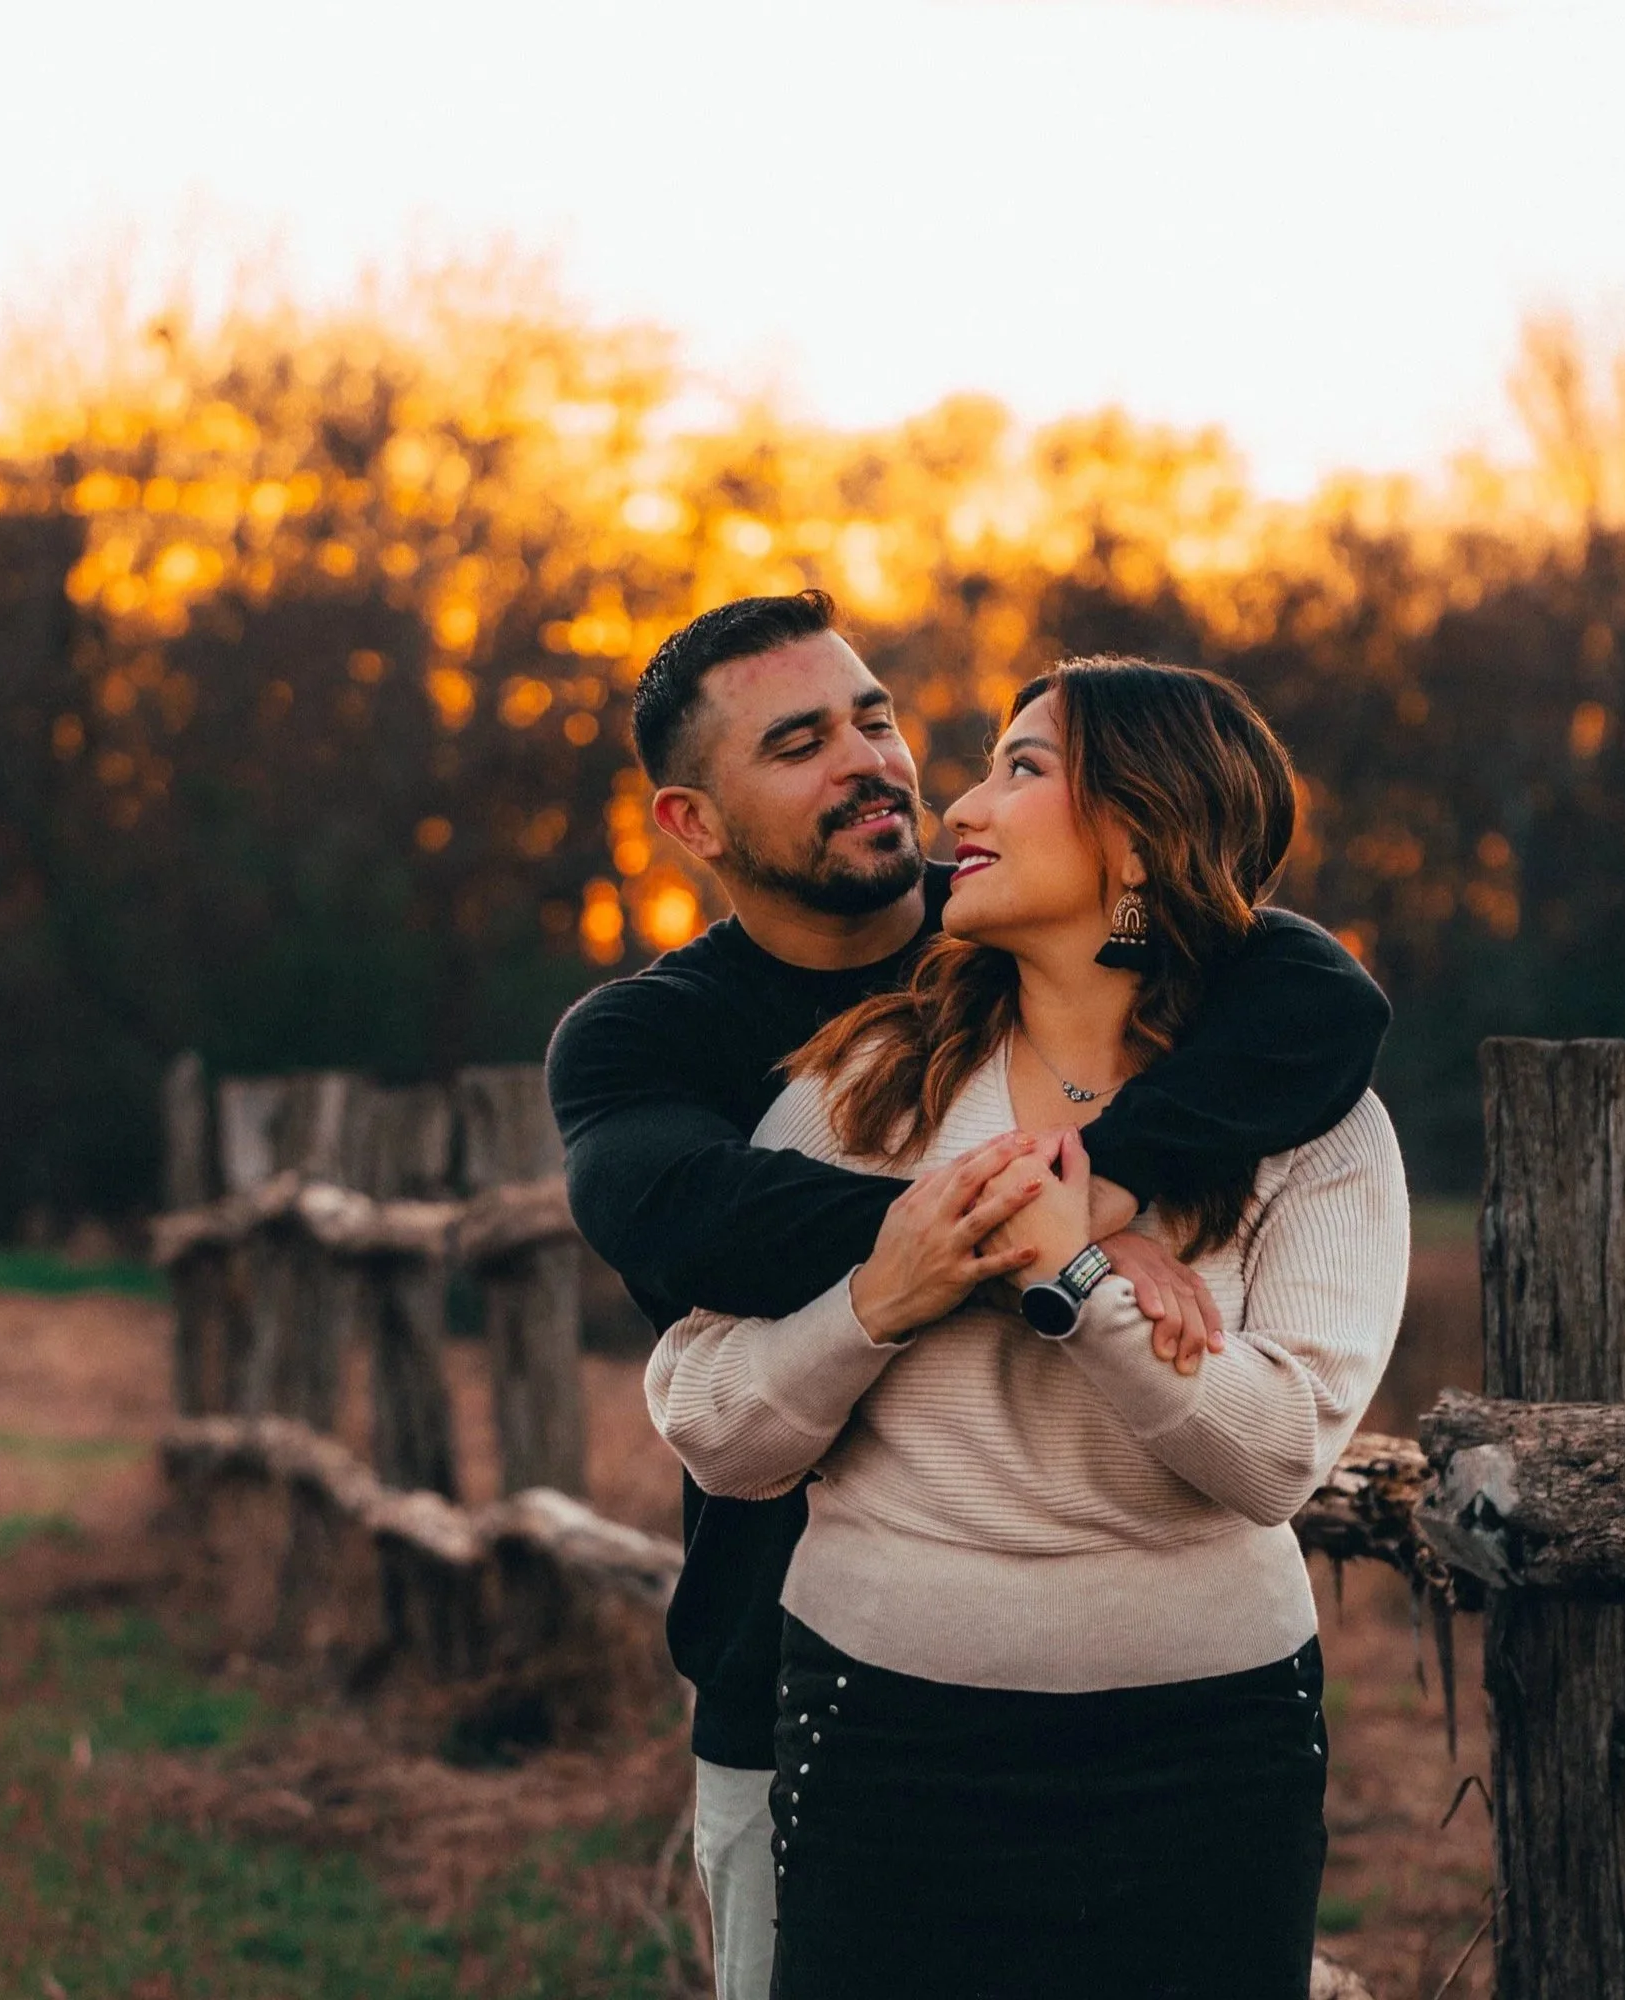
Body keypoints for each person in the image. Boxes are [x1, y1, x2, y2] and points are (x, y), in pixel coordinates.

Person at [546, 592, 1392, 2000]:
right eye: (801, 742)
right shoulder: (691, 1045)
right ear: (694, 823)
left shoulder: (1040, 932)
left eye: (875, 717)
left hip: (1197, 1726)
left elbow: (1323, 991)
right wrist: (1030, 1243)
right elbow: (682, 1213)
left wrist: (1097, 1190)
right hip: (814, 1673)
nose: (873, 762)